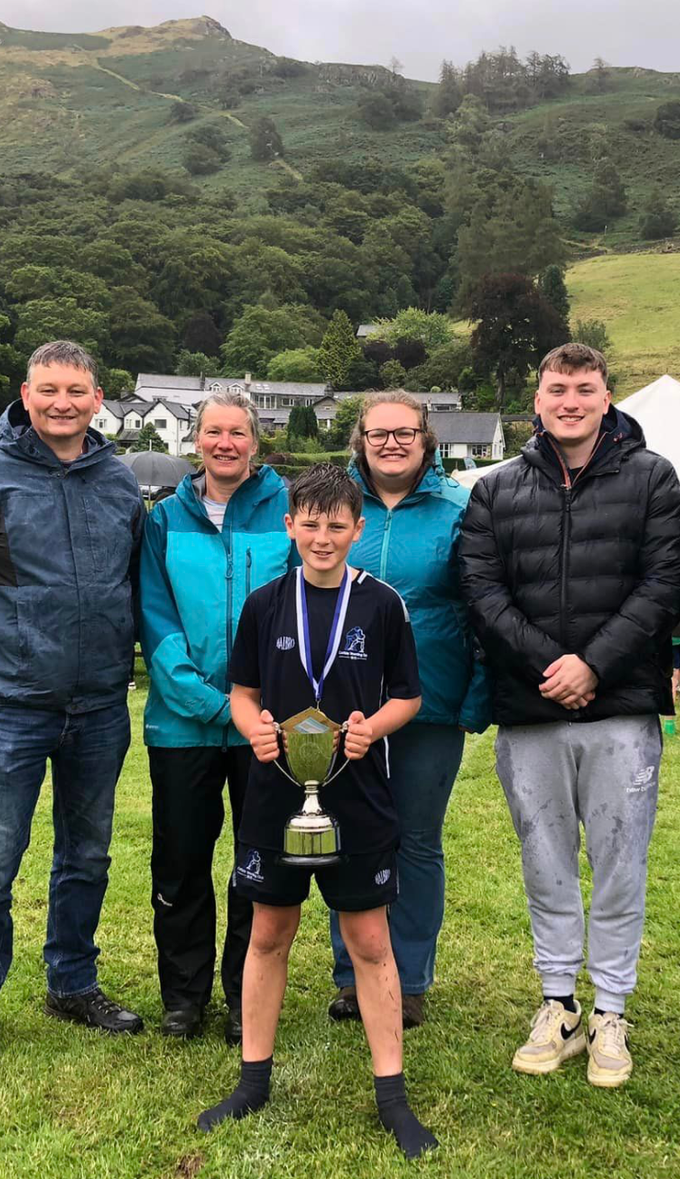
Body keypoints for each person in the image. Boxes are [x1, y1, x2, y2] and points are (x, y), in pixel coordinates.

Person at [458, 342, 680, 1089]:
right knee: (546, 863)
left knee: (621, 864)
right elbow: (480, 590)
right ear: (536, 399)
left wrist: (594, 663)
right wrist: (546, 667)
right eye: (556, 388)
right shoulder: (495, 490)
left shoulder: (652, 478)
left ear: (604, 397)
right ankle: (557, 1003)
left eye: (583, 388)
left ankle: (610, 1012)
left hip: (619, 710)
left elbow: (664, 583)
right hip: (529, 712)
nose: (569, 400)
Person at [0, 340, 147, 1070]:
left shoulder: (119, 484)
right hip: (8, 710)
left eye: (76, 390)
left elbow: (137, 584)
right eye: (48, 390)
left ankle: (71, 983)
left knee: (88, 857)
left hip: (100, 706)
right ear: (25, 392)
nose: (62, 403)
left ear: (97, 397)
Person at [198, 464, 435, 1160]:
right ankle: (252, 1080)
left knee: (367, 942)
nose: (323, 536)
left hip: (358, 798)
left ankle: (391, 1094)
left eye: (337, 525)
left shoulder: (383, 604)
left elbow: (408, 695)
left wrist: (374, 728)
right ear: (289, 525)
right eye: (311, 523)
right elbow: (242, 692)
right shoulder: (266, 603)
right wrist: (252, 728)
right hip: (275, 795)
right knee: (269, 931)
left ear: (358, 529)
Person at [326, 391, 490, 1029]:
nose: (390, 444)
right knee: (348, 839)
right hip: (344, 710)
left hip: (430, 705)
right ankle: (353, 974)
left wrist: (471, 697)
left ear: (427, 439)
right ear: (360, 440)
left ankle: (411, 977)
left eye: (404, 433)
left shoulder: (461, 509)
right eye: (377, 434)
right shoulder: (334, 506)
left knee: (416, 841)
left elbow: (484, 607)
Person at [137, 393, 293, 1044]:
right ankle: (184, 998)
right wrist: (210, 700)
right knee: (180, 864)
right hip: (182, 726)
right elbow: (155, 619)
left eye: (237, 432)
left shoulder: (287, 511)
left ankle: (242, 996)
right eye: (212, 432)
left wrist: (258, 704)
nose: (224, 442)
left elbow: (297, 611)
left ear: (254, 442)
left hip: (267, 729)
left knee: (256, 866)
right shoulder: (164, 519)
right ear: (194, 441)